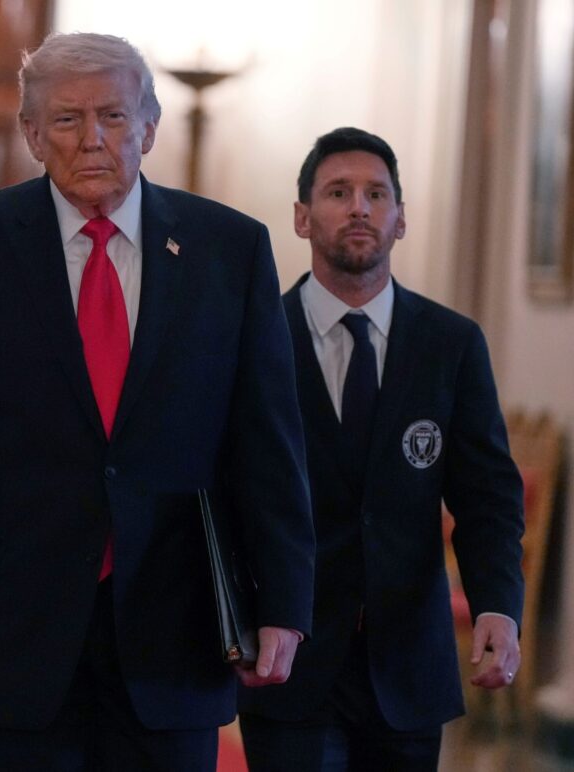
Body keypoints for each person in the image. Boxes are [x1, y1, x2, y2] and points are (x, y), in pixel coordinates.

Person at [0, 32, 315, 771]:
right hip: (4, 635)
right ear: (33, 135)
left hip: (178, 631)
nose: (93, 138)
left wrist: (286, 604)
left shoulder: (229, 250)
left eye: (113, 114)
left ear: (149, 127)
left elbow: (269, 445)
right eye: (67, 120)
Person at [237, 127, 525, 771]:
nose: (360, 207)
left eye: (376, 194)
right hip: (289, 660)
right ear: (303, 217)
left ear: (400, 220)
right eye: (339, 192)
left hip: (407, 666)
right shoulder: (256, 340)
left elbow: (487, 497)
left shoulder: (451, 344)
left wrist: (499, 606)